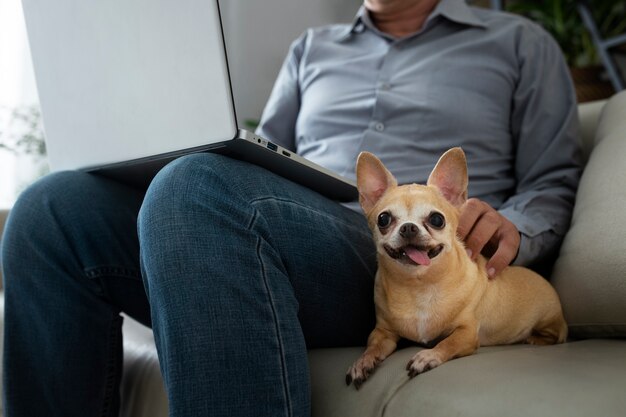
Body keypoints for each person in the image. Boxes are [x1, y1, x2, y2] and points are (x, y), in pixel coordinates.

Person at [1, 0, 581, 416]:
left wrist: (514, 226)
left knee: (197, 190)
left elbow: (553, 179)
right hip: (287, 227)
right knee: (50, 210)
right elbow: (249, 157)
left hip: (417, 262)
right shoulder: (311, 49)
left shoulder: (518, 43)